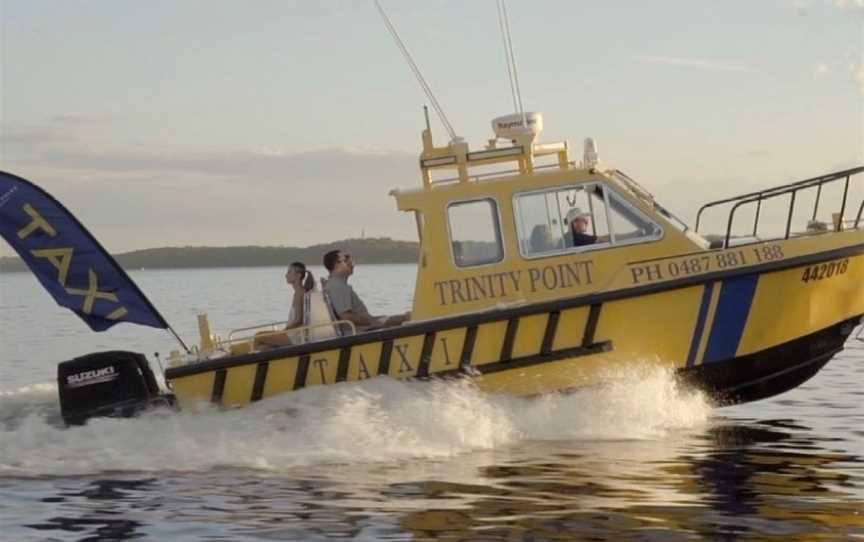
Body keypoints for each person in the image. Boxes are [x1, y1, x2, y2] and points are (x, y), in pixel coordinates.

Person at [322, 249, 409, 333]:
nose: (350, 263)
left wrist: (373, 320)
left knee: (404, 317)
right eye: (346, 259)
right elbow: (346, 317)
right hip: (364, 331)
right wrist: (372, 321)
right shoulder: (338, 286)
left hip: (366, 327)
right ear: (337, 264)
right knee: (408, 317)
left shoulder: (336, 284)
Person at [254, 262, 315, 349]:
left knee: (258, 336)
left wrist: (284, 331)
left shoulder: (299, 293)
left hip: (295, 335)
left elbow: (299, 320)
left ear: (298, 275)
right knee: (263, 346)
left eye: (289, 272)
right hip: (294, 333)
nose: (286, 275)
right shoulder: (300, 292)